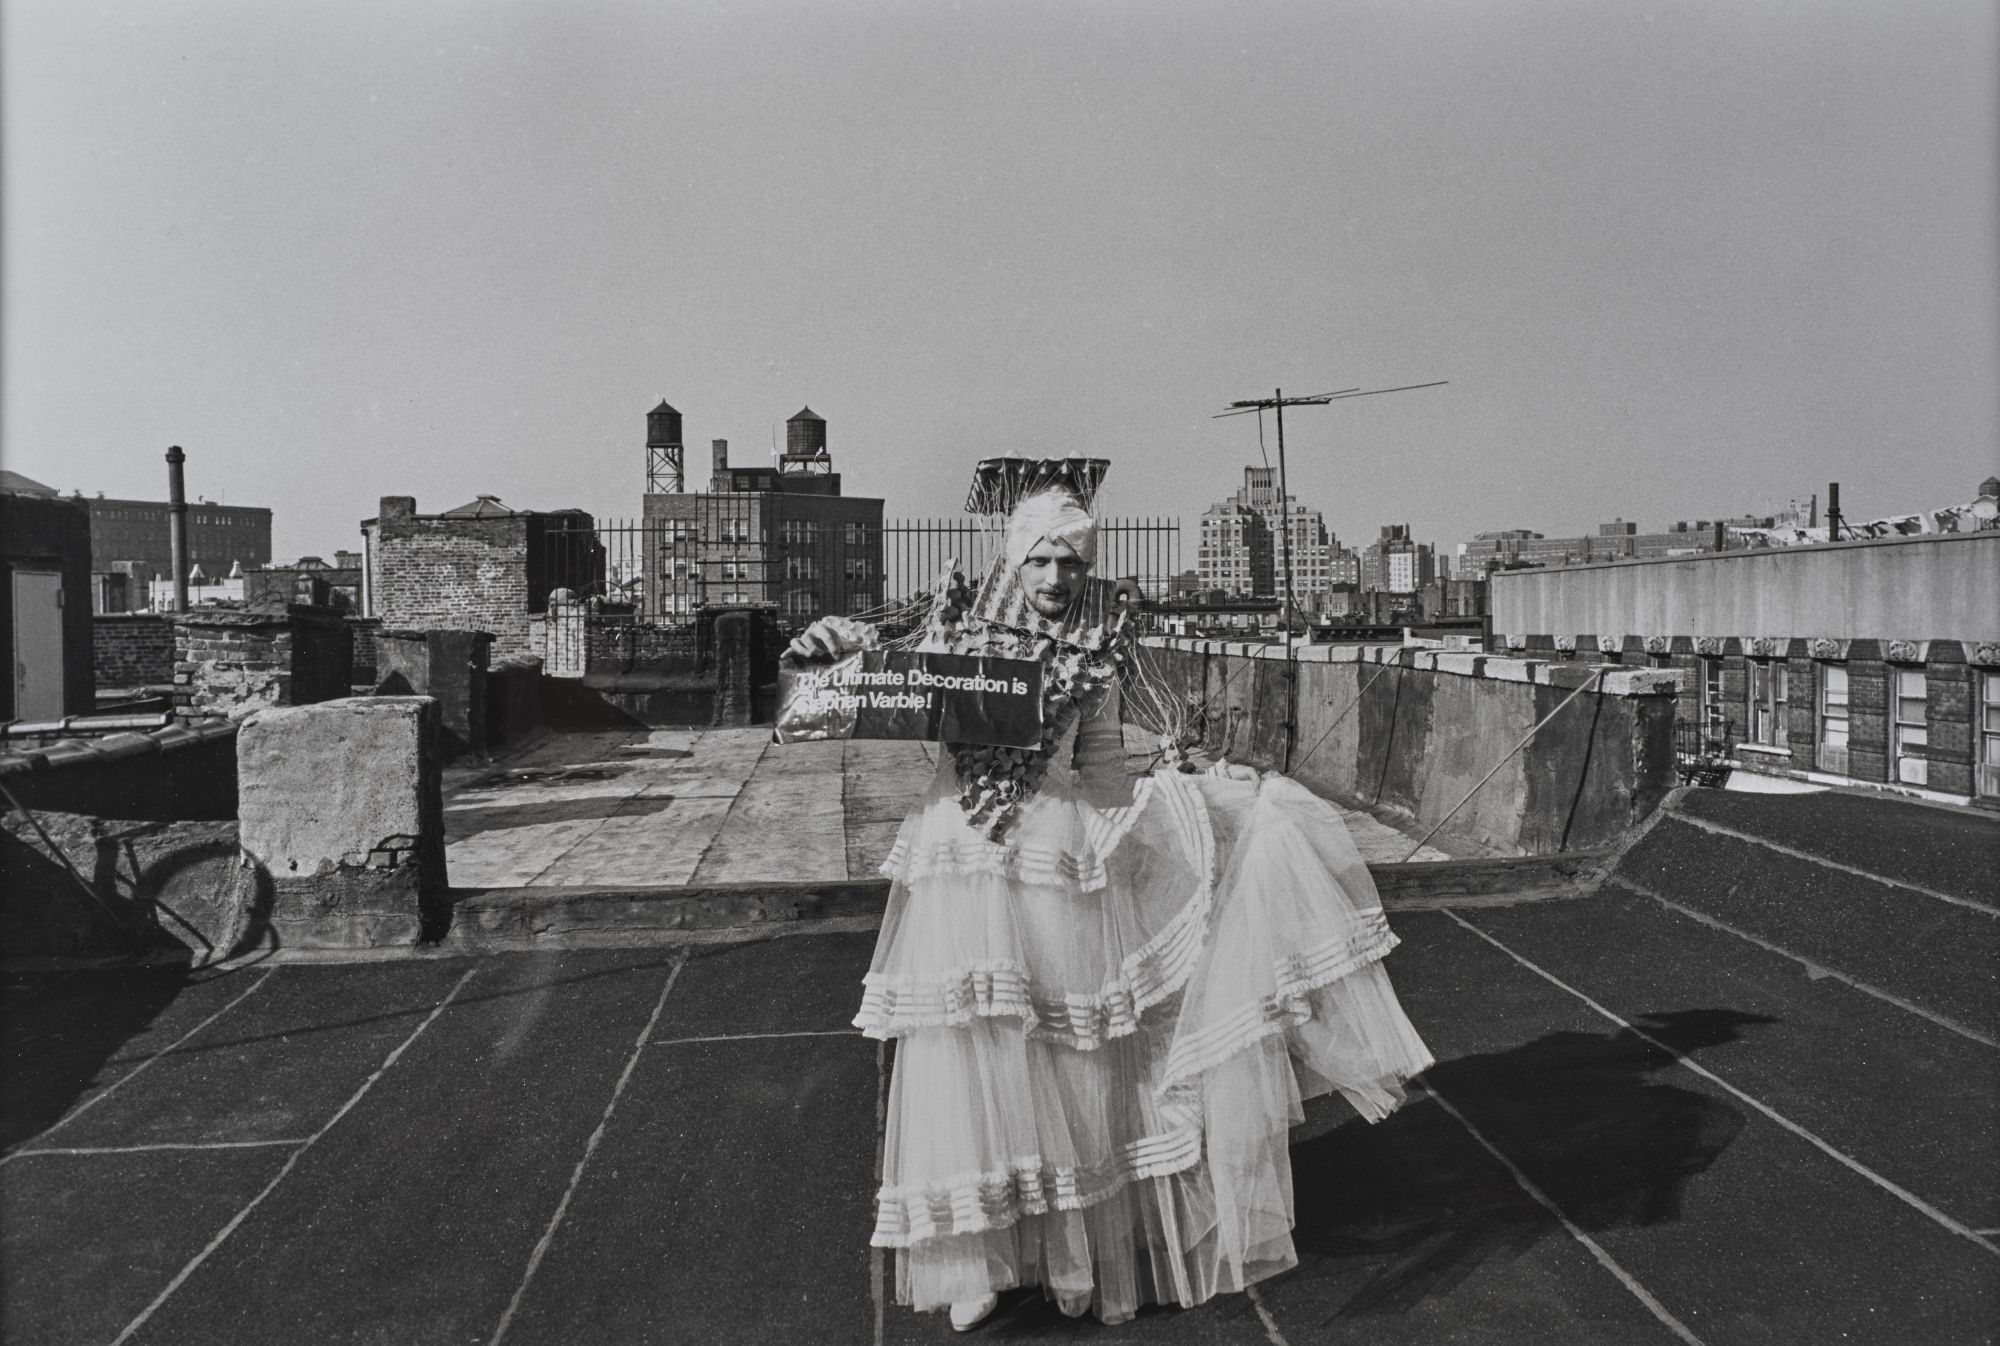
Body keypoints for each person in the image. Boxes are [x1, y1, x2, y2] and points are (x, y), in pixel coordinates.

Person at [786, 464, 1434, 1329]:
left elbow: (1099, 762)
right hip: (964, 857)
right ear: (1013, 562)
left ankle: (1067, 1247)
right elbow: (853, 684)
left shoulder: (1096, 645)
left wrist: (1155, 817)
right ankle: (976, 1256)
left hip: (1056, 853)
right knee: (970, 1056)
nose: (1056, 580)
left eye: (1072, 565)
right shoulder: (952, 625)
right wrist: (820, 644)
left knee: (1067, 1054)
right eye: (1042, 562)